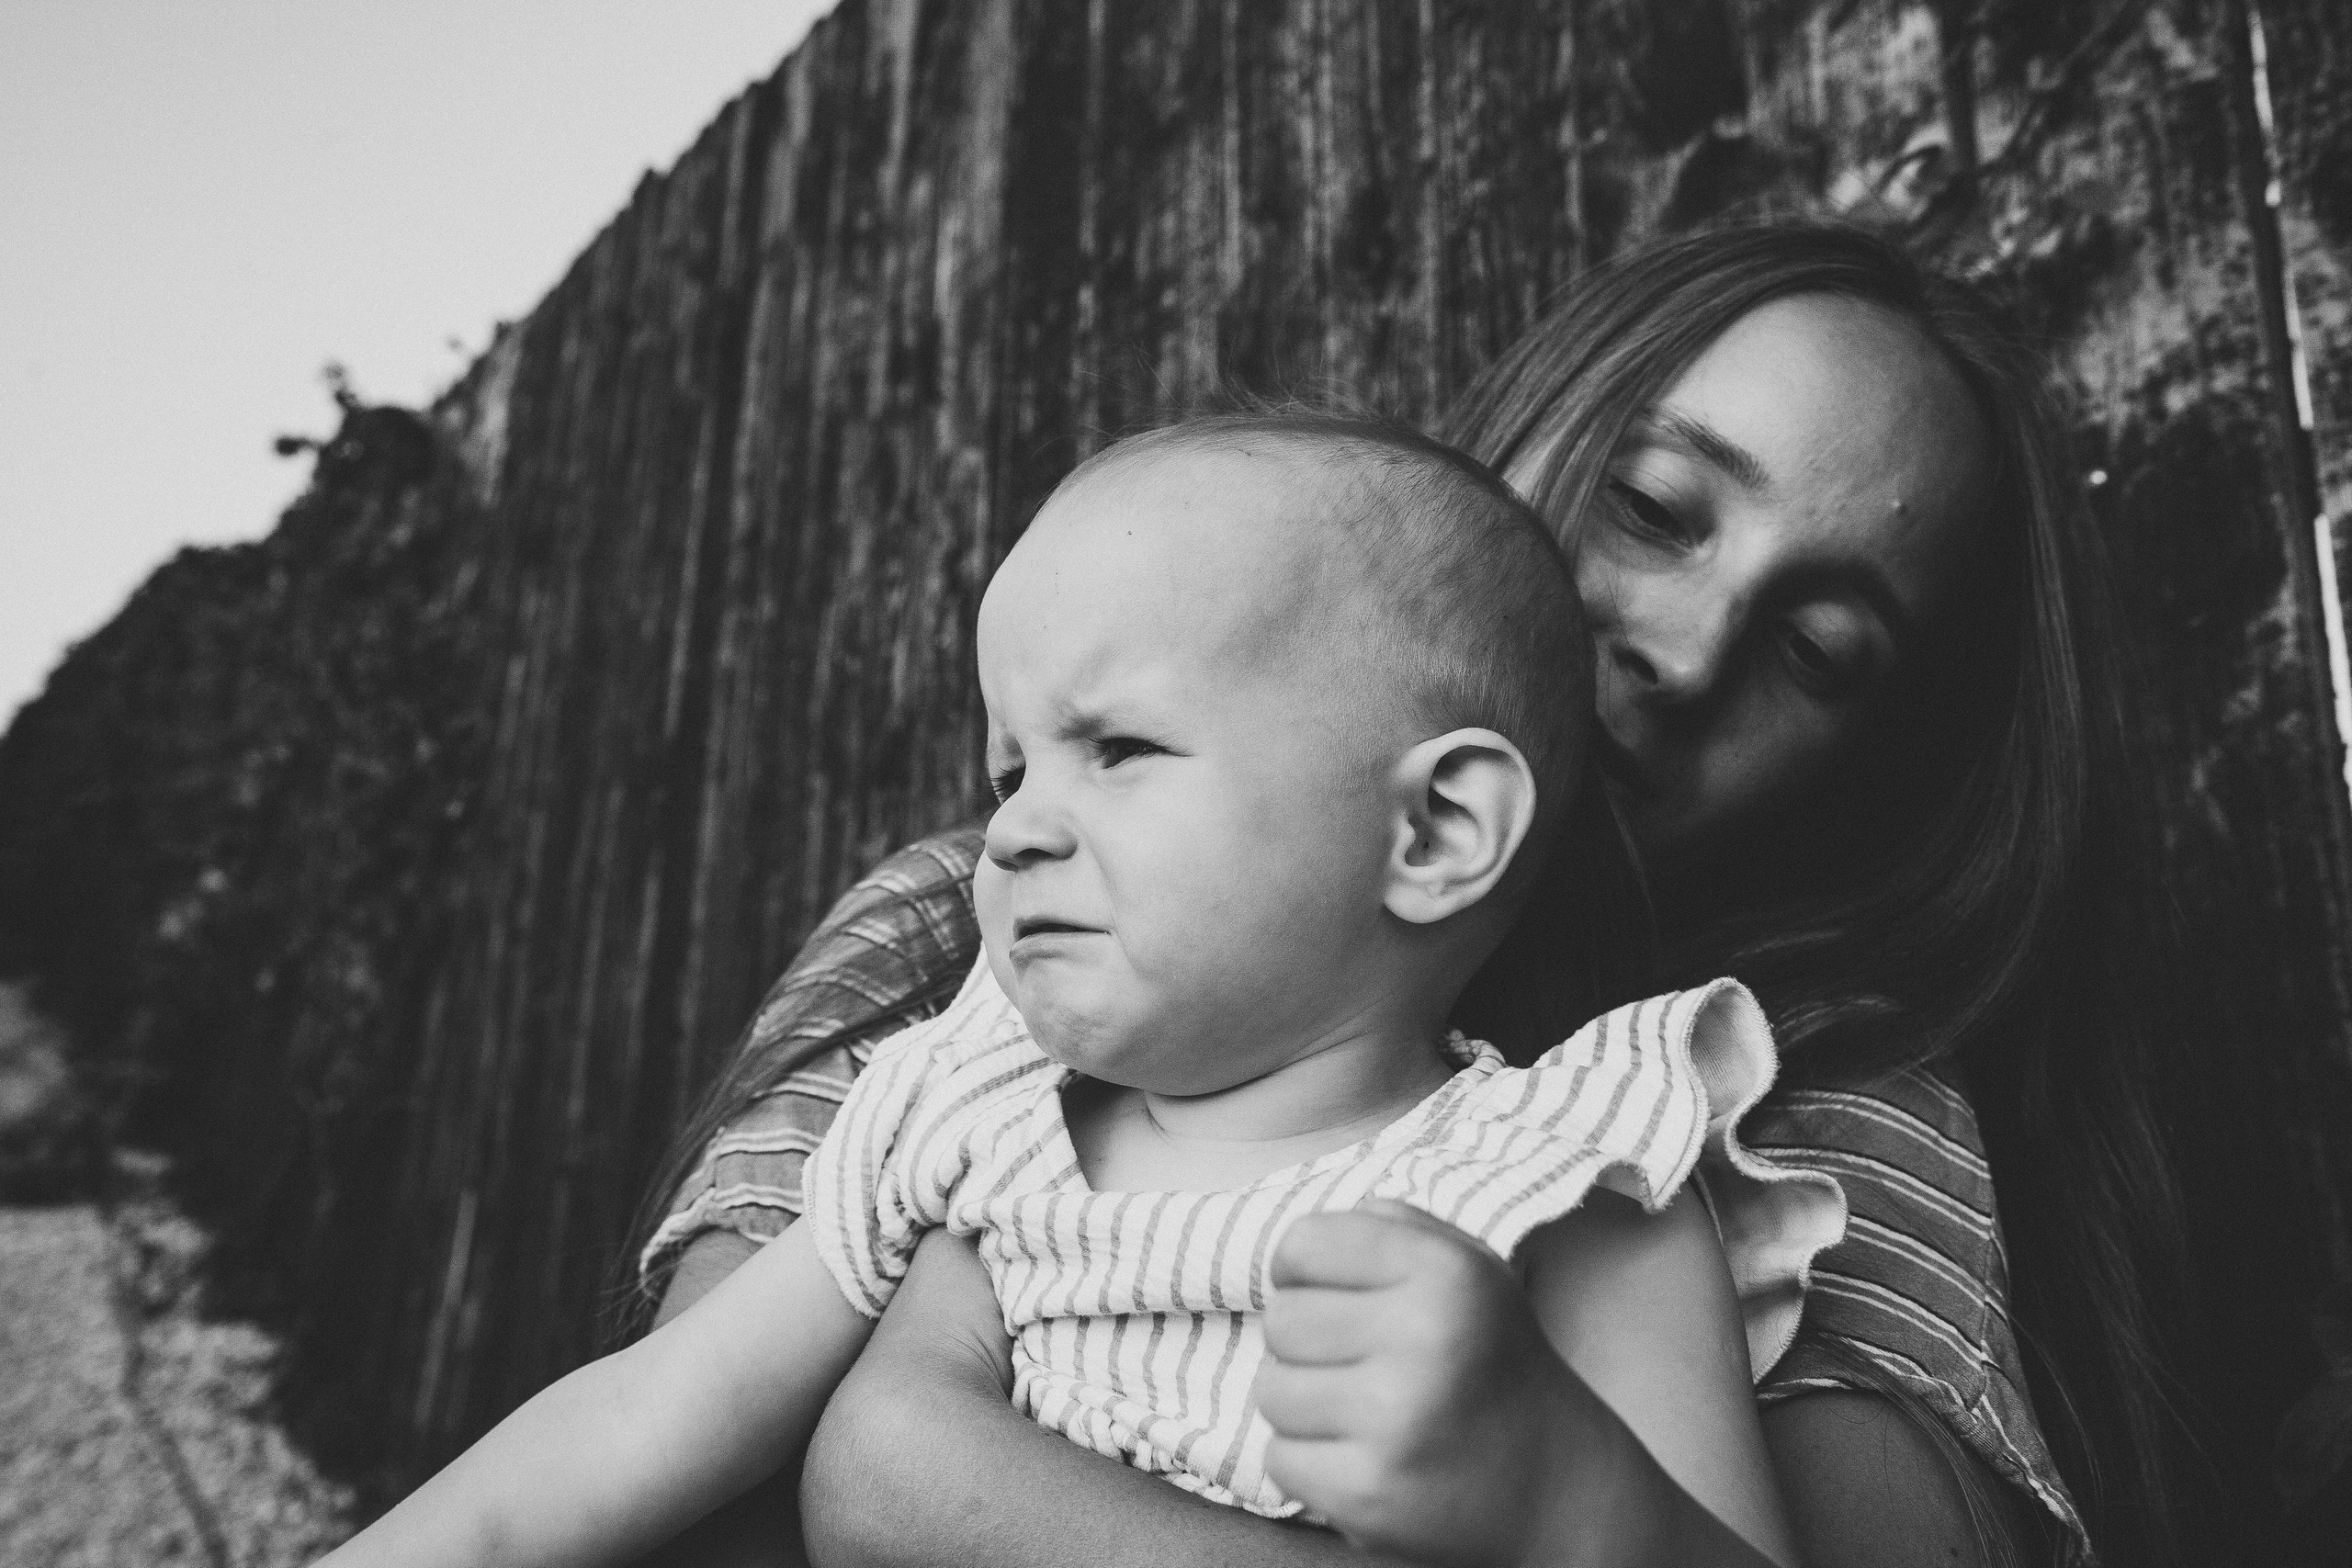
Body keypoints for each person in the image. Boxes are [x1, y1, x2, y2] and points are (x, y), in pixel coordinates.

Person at [634, 223, 2190, 1568]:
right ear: (1525, 435)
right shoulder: (971, 933)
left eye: (1817, 651)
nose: (1688, 654)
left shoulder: (1819, 1102)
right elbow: (708, 1500)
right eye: (1652, 506)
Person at [324, 417, 1834, 1568]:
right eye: (1010, 767)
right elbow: (644, 1417)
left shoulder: (1567, 1181)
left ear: (1433, 832)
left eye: (1118, 750)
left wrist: (1570, 1493)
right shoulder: (977, 1116)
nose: (1018, 826)